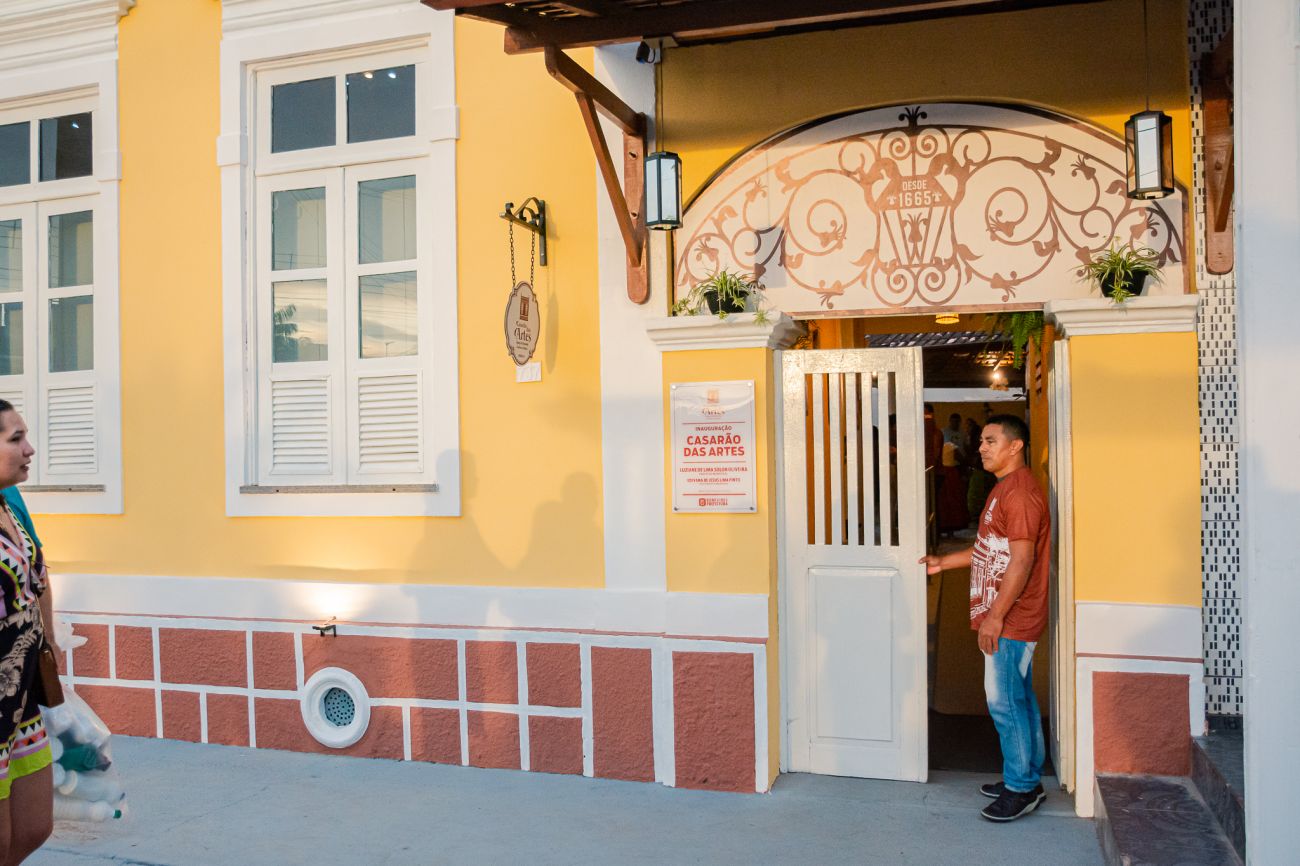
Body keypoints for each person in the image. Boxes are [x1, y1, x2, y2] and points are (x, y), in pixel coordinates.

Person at [919, 414, 1051, 822]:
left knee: (1004, 703)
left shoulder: (1021, 494)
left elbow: (1021, 560)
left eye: (991, 441)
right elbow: (988, 549)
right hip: (1006, 616)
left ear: (1015, 446)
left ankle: (1021, 788)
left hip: (1012, 618)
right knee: (1018, 699)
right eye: (982, 441)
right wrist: (943, 562)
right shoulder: (1003, 488)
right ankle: (1026, 778)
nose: (981, 447)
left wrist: (995, 617)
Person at [0, 400, 55, 862]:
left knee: (35, 825)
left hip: (20, 698)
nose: (29, 449)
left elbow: (38, 578)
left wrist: (49, 644)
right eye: (15, 439)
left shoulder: (10, 504)